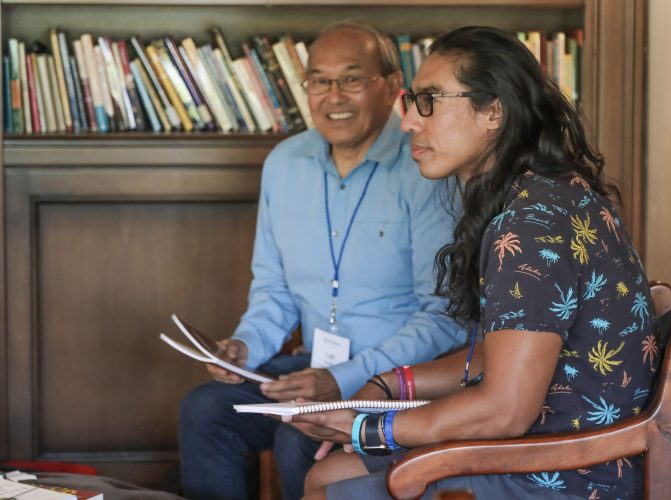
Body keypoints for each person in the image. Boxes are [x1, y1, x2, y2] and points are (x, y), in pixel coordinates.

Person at [284, 26, 660, 500]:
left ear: (493, 112)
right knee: (326, 476)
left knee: (329, 483)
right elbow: (501, 353)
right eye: (411, 101)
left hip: (563, 470)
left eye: (429, 101)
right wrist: (386, 385)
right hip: (541, 446)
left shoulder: (530, 225)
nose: (408, 123)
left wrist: (368, 429)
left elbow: (505, 411)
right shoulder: (543, 194)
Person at [178, 22, 466, 500]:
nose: (334, 96)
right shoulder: (284, 164)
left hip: (395, 379)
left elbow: (443, 318)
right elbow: (274, 287)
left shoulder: (426, 168)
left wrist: (345, 379)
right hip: (313, 368)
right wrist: (246, 348)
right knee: (205, 411)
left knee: (299, 439)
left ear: (393, 86)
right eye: (319, 80)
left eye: (352, 79)